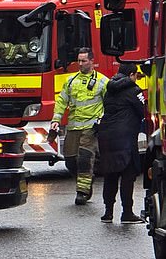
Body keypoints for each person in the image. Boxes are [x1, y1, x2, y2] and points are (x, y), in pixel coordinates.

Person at [50, 47, 108, 205]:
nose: (80, 64)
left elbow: (109, 105)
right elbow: (61, 102)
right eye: (79, 61)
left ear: (92, 61)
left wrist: (101, 121)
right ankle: (87, 179)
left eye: (83, 61)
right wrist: (56, 120)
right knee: (70, 161)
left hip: (91, 129)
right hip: (73, 128)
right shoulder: (70, 81)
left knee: (84, 159)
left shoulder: (103, 82)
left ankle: (82, 192)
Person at [96, 61, 145, 223]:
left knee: (110, 174)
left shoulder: (109, 90)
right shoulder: (134, 90)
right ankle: (127, 213)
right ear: (131, 75)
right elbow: (142, 111)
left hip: (107, 137)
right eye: (136, 76)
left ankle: (108, 212)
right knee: (128, 175)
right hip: (125, 138)